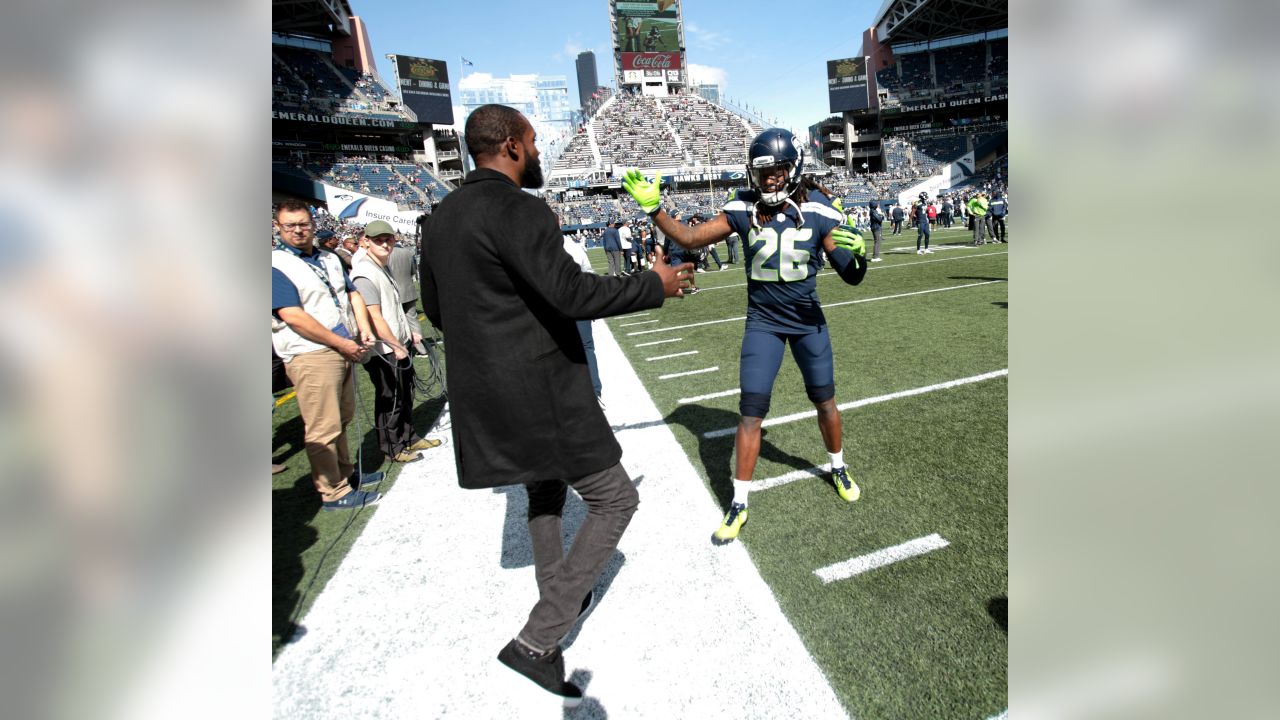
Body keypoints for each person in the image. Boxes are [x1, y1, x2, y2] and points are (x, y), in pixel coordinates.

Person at [419, 104, 692, 706]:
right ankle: (539, 639)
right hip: (539, 387)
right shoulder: (519, 207)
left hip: (483, 393)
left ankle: (559, 592)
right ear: (513, 145)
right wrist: (657, 285)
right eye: (536, 142)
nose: (540, 152)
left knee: (543, 488)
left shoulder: (439, 218)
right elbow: (569, 293)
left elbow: (439, 312)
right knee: (616, 498)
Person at [620, 128, 868, 544]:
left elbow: (851, 275)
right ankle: (738, 502)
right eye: (763, 171)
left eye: (777, 170)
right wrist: (656, 211)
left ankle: (837, 464)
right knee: (751, 412)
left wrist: (856, 255)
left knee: (825, 400)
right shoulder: (741, 207)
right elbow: (691, 238)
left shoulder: (818, 208)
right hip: (764, 323)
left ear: (794, 169)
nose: (770, 178)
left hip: (808, 322)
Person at [271, 200, 383, 511]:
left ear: (312, 224)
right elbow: (293, 315)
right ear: (278, 228)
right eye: (289, 225)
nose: (298, 230)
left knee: (342, 418)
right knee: (323, 426)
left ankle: (345, 473)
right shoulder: (275, 264)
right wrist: (340, 342)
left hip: (342, 346)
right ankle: (333, 491)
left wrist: (363, 327)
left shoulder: (327, 257)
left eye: (303, 223)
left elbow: (351, 293)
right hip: (312, 352)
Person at [350, 221, 442, 464]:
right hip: (384, 349)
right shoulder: (364, 273)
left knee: (404, 394)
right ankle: (392, 447)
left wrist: (409, 333)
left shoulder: (381, 266)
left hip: (397, 343)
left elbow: (393, 309)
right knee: (390, 399)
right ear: (366, 241)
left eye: (388, 239)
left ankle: (408, 436)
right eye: (378, 239)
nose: (384, 243)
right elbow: (374, 315)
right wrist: (395, 344)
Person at [562, 232, 603, 404]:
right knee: (587, 348)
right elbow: (589, 274)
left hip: (556, 304)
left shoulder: (538, 245)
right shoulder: (573, 246)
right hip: (578, 302)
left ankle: (573, 395)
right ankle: (595, 393)